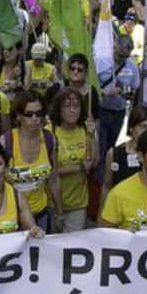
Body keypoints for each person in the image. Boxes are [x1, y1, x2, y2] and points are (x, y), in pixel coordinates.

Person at [0, 91, 62, 232]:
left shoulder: (50, 140)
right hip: (12, 218)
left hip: (41, 215)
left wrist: (59, 213)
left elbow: (53, 179)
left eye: (39, 113)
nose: (34, 118)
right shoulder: (5, 143)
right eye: (29, 114)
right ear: (18, 116)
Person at [48, 89, 97, 232]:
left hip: (78, 202)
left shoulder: (86, 129)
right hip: (52, 202)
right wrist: (77, 168)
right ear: (58, 109)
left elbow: (94, 161)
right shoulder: (49, 131)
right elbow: (48, 171)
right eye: (67, 106)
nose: (72, 110)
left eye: (76, 106)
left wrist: (92, 136)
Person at [96, 35, 140, 176]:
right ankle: (100, 177)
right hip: (102, 110)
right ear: (114, 46)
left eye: (125, 56)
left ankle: (109, 174)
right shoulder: (101, 61)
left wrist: (130, 95)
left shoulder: (132, 65)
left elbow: (135, 88)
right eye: (120, 55)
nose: (122, 59)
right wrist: (106, 93)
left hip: (119, 111)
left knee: (111, 147)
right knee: (100, 147)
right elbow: (92, 86)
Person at [103, 105, 147, 197]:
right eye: (143, 126)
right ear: (131, 127)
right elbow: (107, 187)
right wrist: (102, 211)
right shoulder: (114, 153)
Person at [45, 53, 101, 119]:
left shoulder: (92, 92)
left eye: (79, 69)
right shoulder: (58, 87)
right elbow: (44, 104)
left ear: (85, 72)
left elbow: (95, 117)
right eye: (72, 68)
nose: (75, 72)